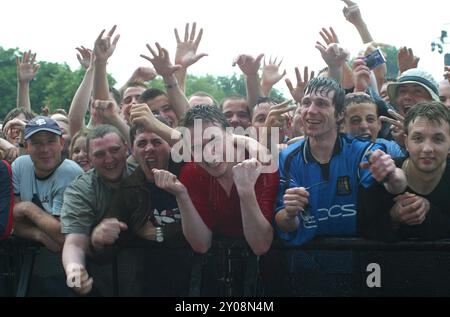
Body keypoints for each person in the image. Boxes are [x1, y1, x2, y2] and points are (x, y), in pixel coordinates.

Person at [152, 105, 279, 296]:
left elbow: (260, 245)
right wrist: (182, 196)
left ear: (230, 135)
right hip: (218, 276)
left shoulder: (262, 164)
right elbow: (201, 244)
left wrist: (245, 190)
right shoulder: (192, 172)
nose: (208, 154)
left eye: (213, 140)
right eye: (196, 147)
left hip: (267, 278)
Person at [275, 77, 406, 245]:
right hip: (306, 260)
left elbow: (398, 185)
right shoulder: (288, 157)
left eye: (321, 104)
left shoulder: (360, 151)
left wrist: (392, 173)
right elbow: (285, 224)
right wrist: (289, 214)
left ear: (340, 115)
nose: (311, 110)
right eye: (306, 103)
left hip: (356, 256)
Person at [360, 102, 450, 241]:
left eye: (438, 139)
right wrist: (393, 217)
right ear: (406, 142)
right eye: (418, 138)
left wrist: (429, 210)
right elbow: (363, 228)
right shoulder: (383, 172)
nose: (427, 148)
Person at [61, 124, 131, 295]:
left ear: (126, 149)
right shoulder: (80, 190)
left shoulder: (144, 172)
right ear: (90, 159)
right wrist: (74, 273)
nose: (109, 159)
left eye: (114, 150)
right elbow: (74, 244)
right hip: (103, 279)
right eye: (99, 154)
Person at [12, 116, 83, 252]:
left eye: (50, 141)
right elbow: (13, 223)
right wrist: (40, 234)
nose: (45, 149)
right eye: (37, 143)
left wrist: (27, 208)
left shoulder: (70, 172)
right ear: (26, 146)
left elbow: (63, 236)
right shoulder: (20, 166)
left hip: (80, 260)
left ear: (61, 143)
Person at [342, 92, 404, 157]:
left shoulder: (388, 148)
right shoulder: (333, 151)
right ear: (342, 126)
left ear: (379, 124)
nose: (364, 126)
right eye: (356, 121)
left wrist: (407, 142)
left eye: (370, 119)